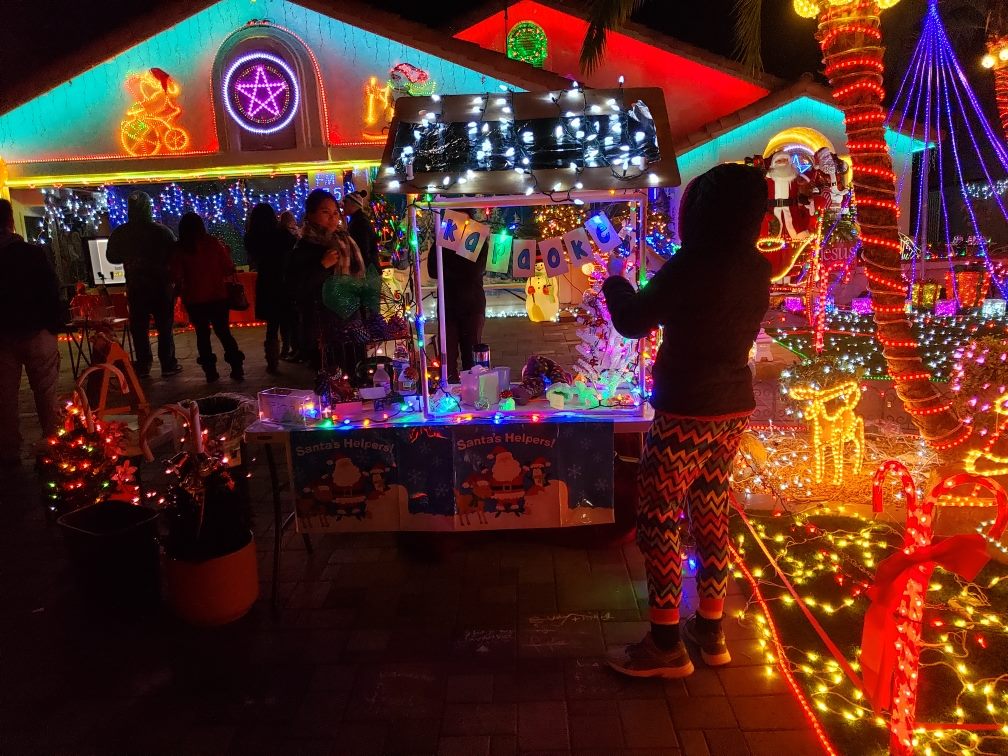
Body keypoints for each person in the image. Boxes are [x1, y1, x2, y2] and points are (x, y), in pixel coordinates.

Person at [602, 163, 771, 678]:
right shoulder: (755, 266)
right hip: (732, 407)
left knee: (658, 519)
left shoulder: (693, 263)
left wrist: (615, 277)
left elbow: (633, 320)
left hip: (685, 410)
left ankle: (664, 644)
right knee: (711, 512)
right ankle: (711, 631)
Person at [0, 199, 66, 465]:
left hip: (3, 335)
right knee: (46, 391)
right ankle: (54, 443)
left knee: (5, 397)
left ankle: (9, 452)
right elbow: (51, 288)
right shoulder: (31, 253)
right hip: (38, 330)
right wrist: (55, 323)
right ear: (10, 221)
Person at [105, 191, 182, 378]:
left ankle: (143, 365)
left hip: (136, 287)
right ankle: (168, 364)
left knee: (139, 329)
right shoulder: (162, 231)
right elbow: (175, 254)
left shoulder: (121, 233)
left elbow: (111, 257)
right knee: (164, 327)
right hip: (161, 287)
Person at [171, 212, 244, 382]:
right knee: (224, 332)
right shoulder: (213, 243)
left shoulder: (180, 248)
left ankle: (210, 371)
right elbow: (228, 267)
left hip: (194, 299)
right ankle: (237, 367)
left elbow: (176, 274)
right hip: (218, 296)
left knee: (202, 335)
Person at [288, 189, 353, 371]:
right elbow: (297, 289)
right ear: (310, 214)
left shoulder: (344, 241)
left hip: (348, 320)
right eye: (325, 212)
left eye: (335, 213)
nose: (332, 218)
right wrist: (322, 266)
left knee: (351, 371)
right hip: (321, 326)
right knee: (328, 374)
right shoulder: (303, 247)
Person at [426, 234, 488, 384]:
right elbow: (433, 270)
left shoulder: (477, 238)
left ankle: (472, 389)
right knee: (447, 356)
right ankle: (449, 390)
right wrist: (458, 266)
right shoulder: (444, 239)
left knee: (472, 357)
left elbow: (474, 271)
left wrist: (448, 266)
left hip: (472, 306)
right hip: (448, 306)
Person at [244, 203, 296, 373]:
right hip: (284, 280)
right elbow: (292, 244)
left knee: (272, 325)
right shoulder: (281, 234)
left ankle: (272, 361)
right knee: (287, 318)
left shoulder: (252, 237)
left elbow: (253, 255)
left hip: (266, 282)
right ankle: (288, 349)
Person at [344, 190, 380, 272]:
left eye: (345, 202)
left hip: (367, 270)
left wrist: (361, 271)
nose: (343, 205)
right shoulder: (357, 220)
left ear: (352, 204)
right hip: (368, 268)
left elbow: (363, 250)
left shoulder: (360, 222)